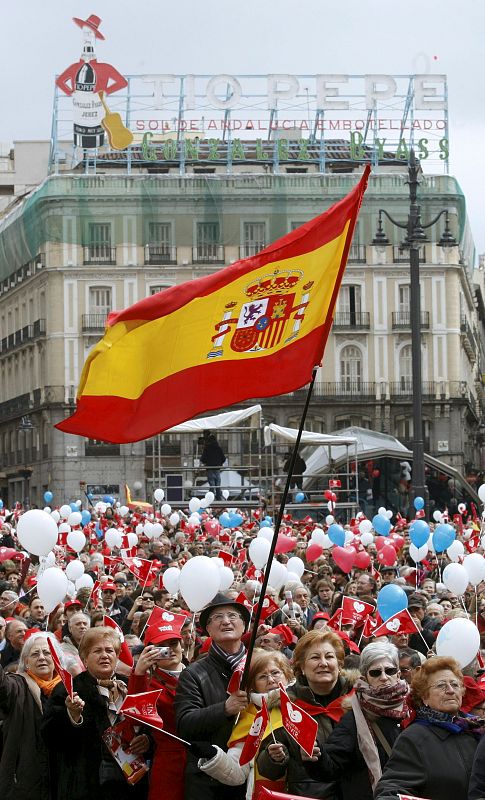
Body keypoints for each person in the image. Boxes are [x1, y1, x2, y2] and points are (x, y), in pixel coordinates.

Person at [43, 626, 151, 800]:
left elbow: (149, 724)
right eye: (97, 651)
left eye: (110, 650)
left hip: (132, 782)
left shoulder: (129, 685)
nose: (104, 655)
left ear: (117, 655)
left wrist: (147, 740)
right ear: (84, 658)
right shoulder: (69, 689)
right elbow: (50, 736)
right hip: (89, 783)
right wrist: (73, 716)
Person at [302, 641, 408, 800]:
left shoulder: (414, 709)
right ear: (365, 678)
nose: (384, 677)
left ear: (398, 674)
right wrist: (316, 757)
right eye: (375, 673)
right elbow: (331, 766)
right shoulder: (354, 718)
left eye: (390, 670)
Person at [257, 629, 355, 798]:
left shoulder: (359, 700)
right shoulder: (284, 705)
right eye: (315, 657)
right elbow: (268, 771)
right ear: (301, 667)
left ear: (340, 665)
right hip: (309, 795)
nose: (323, 663)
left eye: (330, 657)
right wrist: (274, 758)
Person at [175, 592, 251, 800]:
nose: (226, 621)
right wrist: (224, 709)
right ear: (208, 629)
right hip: (207, 781)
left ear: (244, 625)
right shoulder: (193, 673)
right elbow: (185, 724)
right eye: (217, 617)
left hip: (254, 775)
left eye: (232, 616)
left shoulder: (261, 665)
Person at [374, 655, 483, 800]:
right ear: (424, 696)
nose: (450, 690)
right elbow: (391, 791)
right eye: (441, 685)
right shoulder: (414, 738)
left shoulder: (477, 728)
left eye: (455, 684)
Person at [195, 650, 294, 799]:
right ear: (253, 686)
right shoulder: (250, 716)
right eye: (262, 676)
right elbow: (238, 773)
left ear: (287, 675)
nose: (271, 680)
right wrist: (213, 756)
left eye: (275, 672)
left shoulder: (304, 703)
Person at [128, 617, 186, 800]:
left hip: (202, 761)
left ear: (182, 645)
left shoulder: (200, 672)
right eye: (162, 646)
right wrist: (139, 673)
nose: (170, 650)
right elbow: (135, 720)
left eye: (174, 643)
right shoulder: (147, 683)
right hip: (169, 763)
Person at [0, 630, 62, 799]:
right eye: (35, 654)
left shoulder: (68, 690)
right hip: (26, 784)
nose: (42, 657)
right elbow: (2, 687)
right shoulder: (17, 686)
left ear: (57, 659)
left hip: (61, 784)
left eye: (47, 652)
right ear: (26, 662)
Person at [200, 432, 226, 501]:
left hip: (209, 468)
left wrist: (207, 462)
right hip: (217, 468)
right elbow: (224, 458)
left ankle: (211, 498)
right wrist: (219, 463)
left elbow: (202, 459)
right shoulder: (218, 448)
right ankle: (218, 497)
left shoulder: (207, 449)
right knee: (217, 483)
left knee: (212, 484)